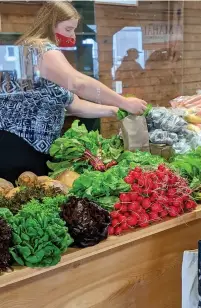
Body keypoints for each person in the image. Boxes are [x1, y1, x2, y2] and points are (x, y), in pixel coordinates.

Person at [0, 2, 147, 184]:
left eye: (74, 30)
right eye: (68, 29)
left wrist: (113, 110)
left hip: (23, 147)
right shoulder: (44, 50)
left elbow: (74, 104)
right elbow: (78, 84)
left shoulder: (29, 49)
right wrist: (123, 102)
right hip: (20, 148)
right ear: (50, 23)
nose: (72, 36)